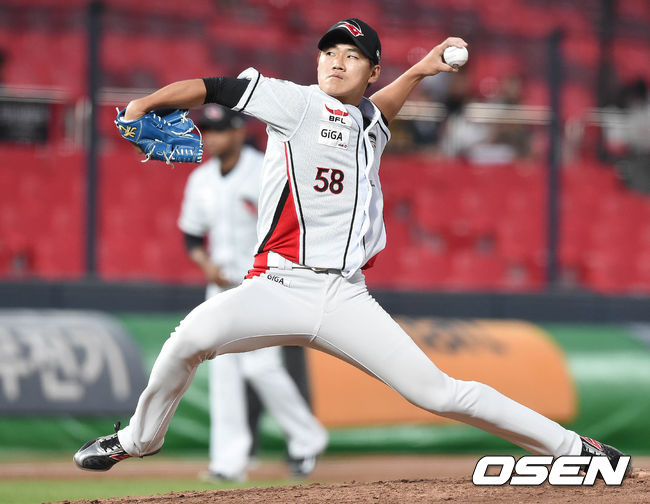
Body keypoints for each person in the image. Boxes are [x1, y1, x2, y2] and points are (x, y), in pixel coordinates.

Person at [74, 18, 632, 477]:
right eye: (329, 52)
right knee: (188, 340)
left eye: (352, 55)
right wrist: (145, 102)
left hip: (346, 297)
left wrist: (421, 69)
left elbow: (380, 109)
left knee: (439, 394)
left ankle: (575, 449)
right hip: (278, 284)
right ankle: (138, 440)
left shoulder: (371, 125)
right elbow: (213, 87)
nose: (336, 62)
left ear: (371, 70)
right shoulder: (295, 103)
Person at [178, 104, 328, 481]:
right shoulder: (200, 180)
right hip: (219, 288)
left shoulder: (266, 170)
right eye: (207, 130)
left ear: (239, 131)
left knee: (261, 368)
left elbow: (293, 227)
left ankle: (306, 438)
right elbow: (192, 236)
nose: (211, 137)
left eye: (219, 130)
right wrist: (204, 264)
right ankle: (229, 462)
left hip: (261, 285)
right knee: (223, 373)